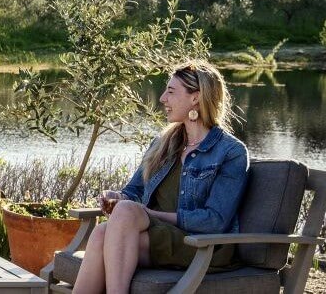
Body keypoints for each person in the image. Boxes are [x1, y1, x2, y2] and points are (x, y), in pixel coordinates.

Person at [72, 61, 250, 294]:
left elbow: (215, 221)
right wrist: (118, 196)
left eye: (171, 91)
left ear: (195, 98)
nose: (163, 98)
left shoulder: (230, 152)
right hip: (156, 234)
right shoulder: (163, 144)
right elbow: (133, 192)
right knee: (100, 233)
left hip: (200, 244)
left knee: (117, 221)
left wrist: (150, 214)